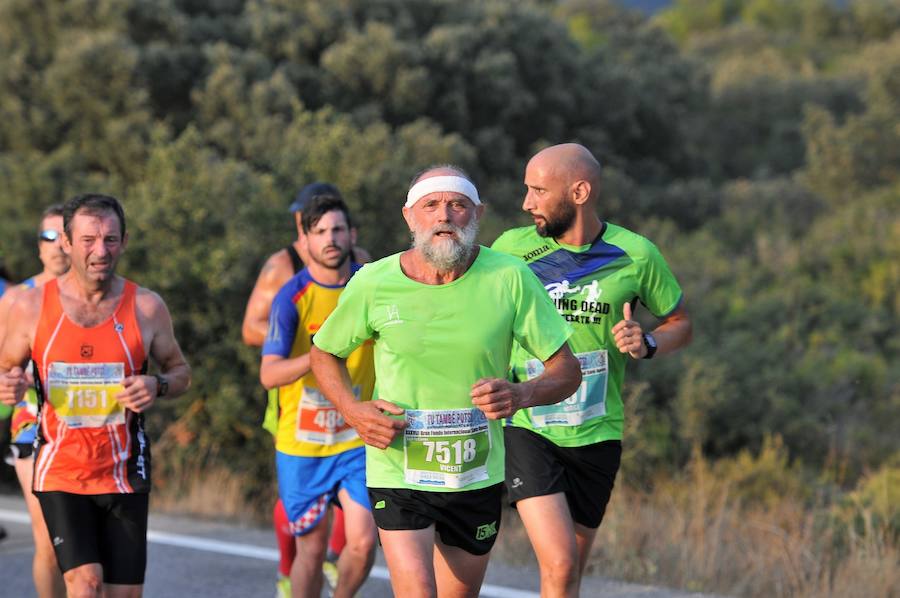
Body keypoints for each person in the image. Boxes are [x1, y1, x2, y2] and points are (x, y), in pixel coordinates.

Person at [309, 166, 583, 598]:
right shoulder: (374, 281)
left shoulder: (509, 278)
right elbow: (323, 352)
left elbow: (567, 369)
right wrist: (352, 410)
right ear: (409, 216)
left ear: (476, 213)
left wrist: (521, 393)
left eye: (457, 205)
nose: (444, 216)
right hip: (398, 467)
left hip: (475, 474)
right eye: (431, 205)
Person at [491, 143, 693, 597]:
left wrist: (649, 341)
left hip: (597, 432)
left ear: (579, 191)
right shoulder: (509, 250)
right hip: (529, 425)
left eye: (538, 190)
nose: (526, 203)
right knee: (560, 563)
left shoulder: (636, 254)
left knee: (571, 574)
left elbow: (682, 323)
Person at [0, 193, 191, 598]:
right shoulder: (30, 306)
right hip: (60, 470)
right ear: (66, 243)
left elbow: (180, 373)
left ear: (124, 241)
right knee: (85, 585)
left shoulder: (146, 307)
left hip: (124, 472)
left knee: (125, 595)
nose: (100, 251)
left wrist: (156, 385)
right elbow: (4, 369)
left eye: (110, 239)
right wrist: (8, 384)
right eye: (88, 240)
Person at [242, 183, 369, 596]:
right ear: (303, 238)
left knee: (365, 541)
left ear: (351, 235)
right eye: (320, 231)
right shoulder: (288, 289)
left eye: (338, 231)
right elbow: (268, 372)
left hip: (358, 435)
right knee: (311, 551)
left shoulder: (371, 282)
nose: (330, 240)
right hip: (303, 439)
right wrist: (318, 356)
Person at [0, 204, 70, 598]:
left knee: (90, 544)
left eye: (64, 236)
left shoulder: (99, 294)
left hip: (86, 425)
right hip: (31, 425)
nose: (57, 246)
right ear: (38, 246)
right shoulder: (16, 298)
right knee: (47, 540)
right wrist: (11, 380)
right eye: (48, 237)